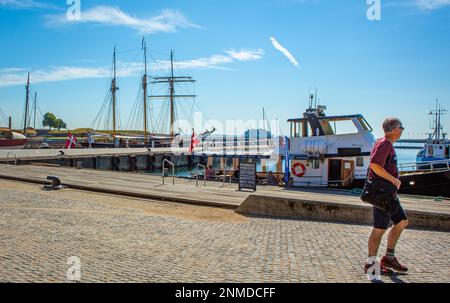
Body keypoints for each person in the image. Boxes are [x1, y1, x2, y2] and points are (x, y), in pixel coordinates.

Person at [365, 117, 409, 276]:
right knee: (379, 228)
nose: (402, 131)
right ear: (396, 129)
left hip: (388, 194)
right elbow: (375, 165)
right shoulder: (384, 144)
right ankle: (371, 265)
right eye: (401, 128)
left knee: (402, 221)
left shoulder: (385, 143)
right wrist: (394, 180)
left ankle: (389, 257)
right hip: (381, 194)